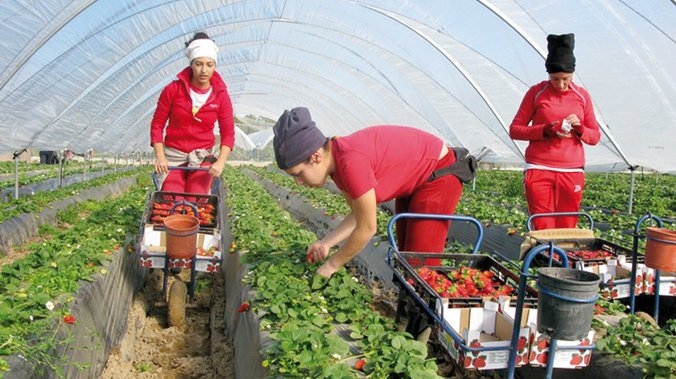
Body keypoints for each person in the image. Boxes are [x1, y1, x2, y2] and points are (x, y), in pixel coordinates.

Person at [272, 107, 469, 278]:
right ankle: (412, 311)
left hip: (439, 175)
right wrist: (326, 244)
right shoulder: (337, 163)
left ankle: (427, 317)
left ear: (315, 157)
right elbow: (359, 217)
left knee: (421, 266)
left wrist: (332, 265)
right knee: (407, 259)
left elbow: (367, 228)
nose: (298, 182)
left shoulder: (350, 163)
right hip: (415, 181)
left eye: (298, 174)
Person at [509, 33, 601, 230]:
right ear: (548, 75)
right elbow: (515, 130)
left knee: (568, 225)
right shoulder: (536, 92)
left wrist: (579, 129)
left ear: (572, 74)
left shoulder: (582, 96)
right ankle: (545, 259)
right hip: (539, 168)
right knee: (542, 226)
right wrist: (546, 130)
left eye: (565, 79)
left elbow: (594, 137)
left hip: (572, 170)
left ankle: (564, 260)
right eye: (554, 79)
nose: (560, 84)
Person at [150, 32, 235, 195]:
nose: (204, 70)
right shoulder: (173, 90)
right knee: (171, 197)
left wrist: (221, 162)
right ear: (191, 63)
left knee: (198, 197)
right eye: (198, 64)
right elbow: (157, 125)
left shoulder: (221, 95)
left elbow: (228, 132)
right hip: (173, 156)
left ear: (215, 65)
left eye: (209, 64)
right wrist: (160, 157)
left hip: (201, 157)